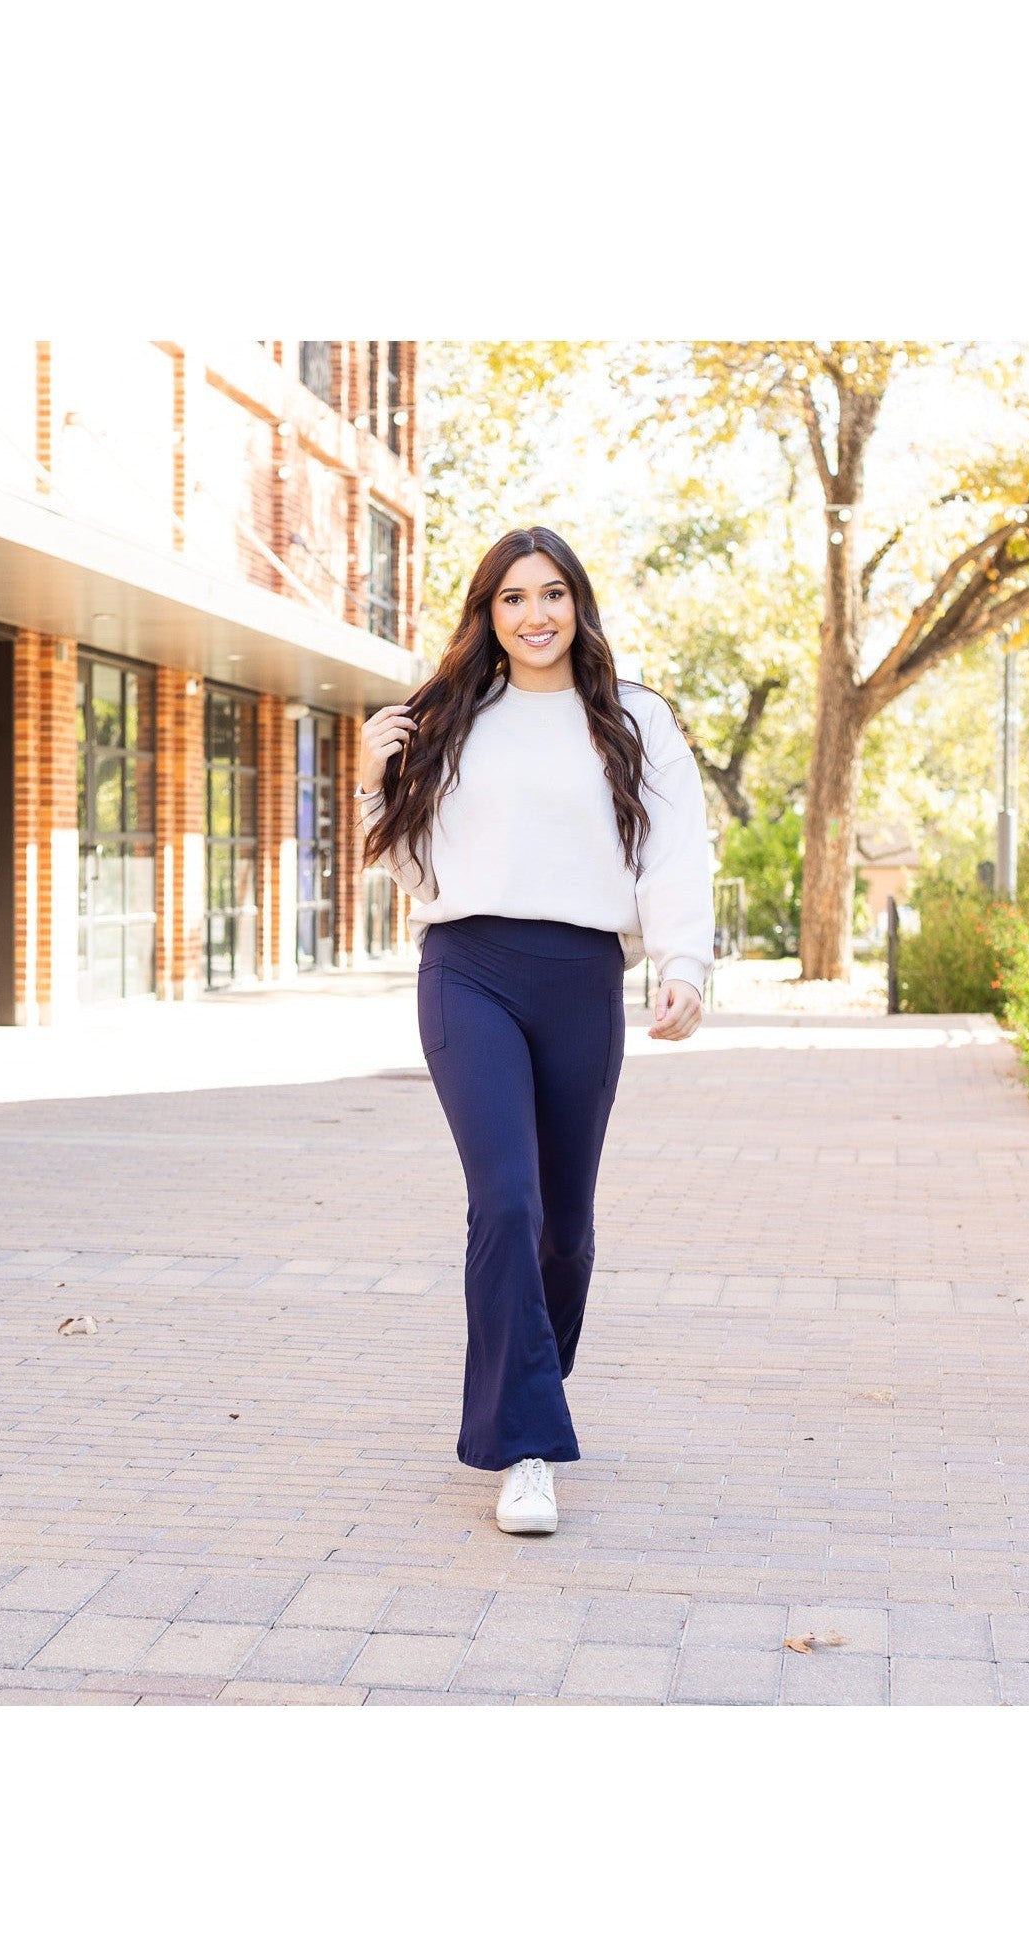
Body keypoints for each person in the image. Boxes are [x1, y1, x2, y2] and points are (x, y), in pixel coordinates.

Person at [357, 527, 711, 1536]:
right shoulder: (448, 717)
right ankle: (525, 1444)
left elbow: (678, 848)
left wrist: (681, 964)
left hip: (579, 974)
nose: (534, 614)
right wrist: (381, 777)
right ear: (487, 613)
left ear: (578, 604)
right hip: (466, 969)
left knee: (564, 1224)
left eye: (551, 594)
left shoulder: (634, 719)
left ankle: (530, 1382)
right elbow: (413, 869)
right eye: (512, 598)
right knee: (503, 1199)